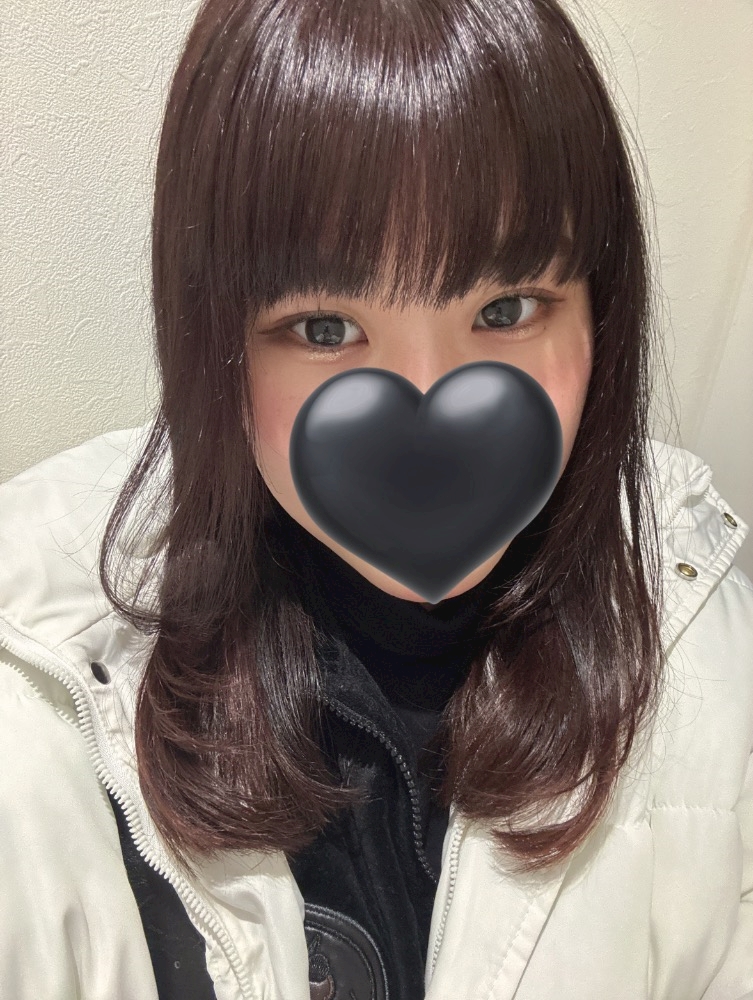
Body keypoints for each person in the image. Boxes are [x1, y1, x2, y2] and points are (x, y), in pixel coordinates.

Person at [1, 0, 752, 997]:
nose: (427, 407)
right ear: (211, 336)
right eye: (323, 327)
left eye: (507, 307)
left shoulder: (702, 633)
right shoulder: (39, 682)